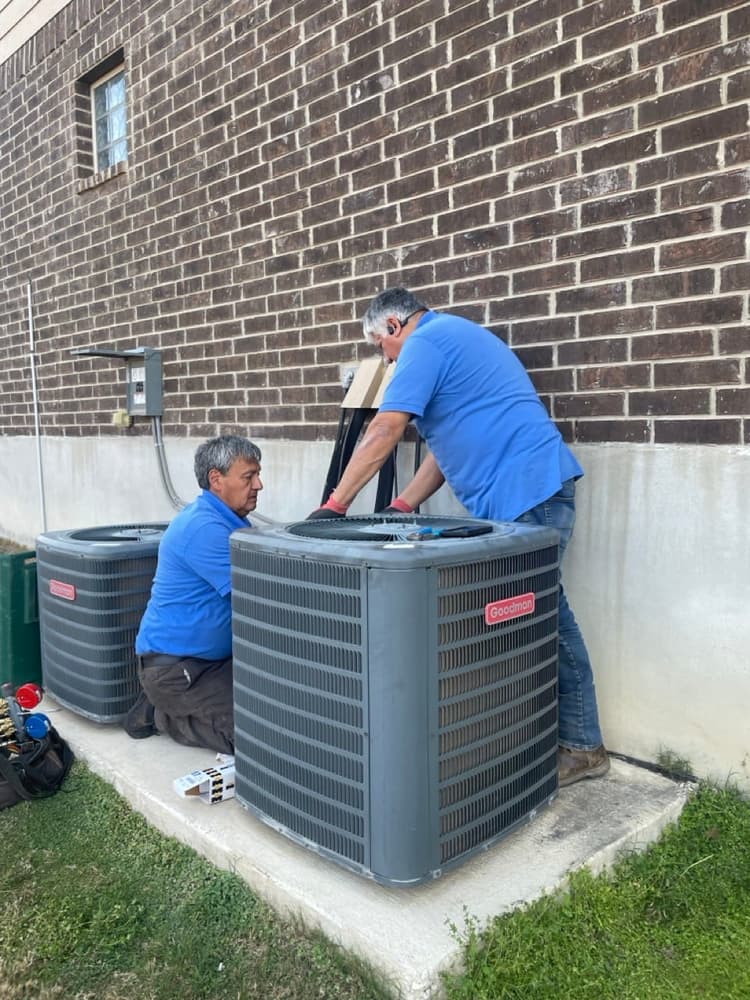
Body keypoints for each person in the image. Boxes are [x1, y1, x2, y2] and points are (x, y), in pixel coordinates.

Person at [308, 287, 609, 788]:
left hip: (529, 495)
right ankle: (518, 734)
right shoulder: (452, 338)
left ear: (392, 327)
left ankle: (582, 746)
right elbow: (445, 451)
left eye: (381, 347)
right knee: (514, 620)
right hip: (526, 495)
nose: (384, 359)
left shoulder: (427, 342)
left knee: (545, 620)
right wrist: (402, 505)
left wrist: (334, 504)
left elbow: (384, 429)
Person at [125, 434, 263, 754]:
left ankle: (170, 705)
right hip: (179, 670)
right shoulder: (205, 528)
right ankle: (161, 715)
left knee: (276, 707)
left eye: (257, 474)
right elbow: (256, 601)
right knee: (256, 738)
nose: (259, 484)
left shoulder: (230, 522)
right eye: (249, 476)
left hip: (215, 662)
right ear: (217, 479)